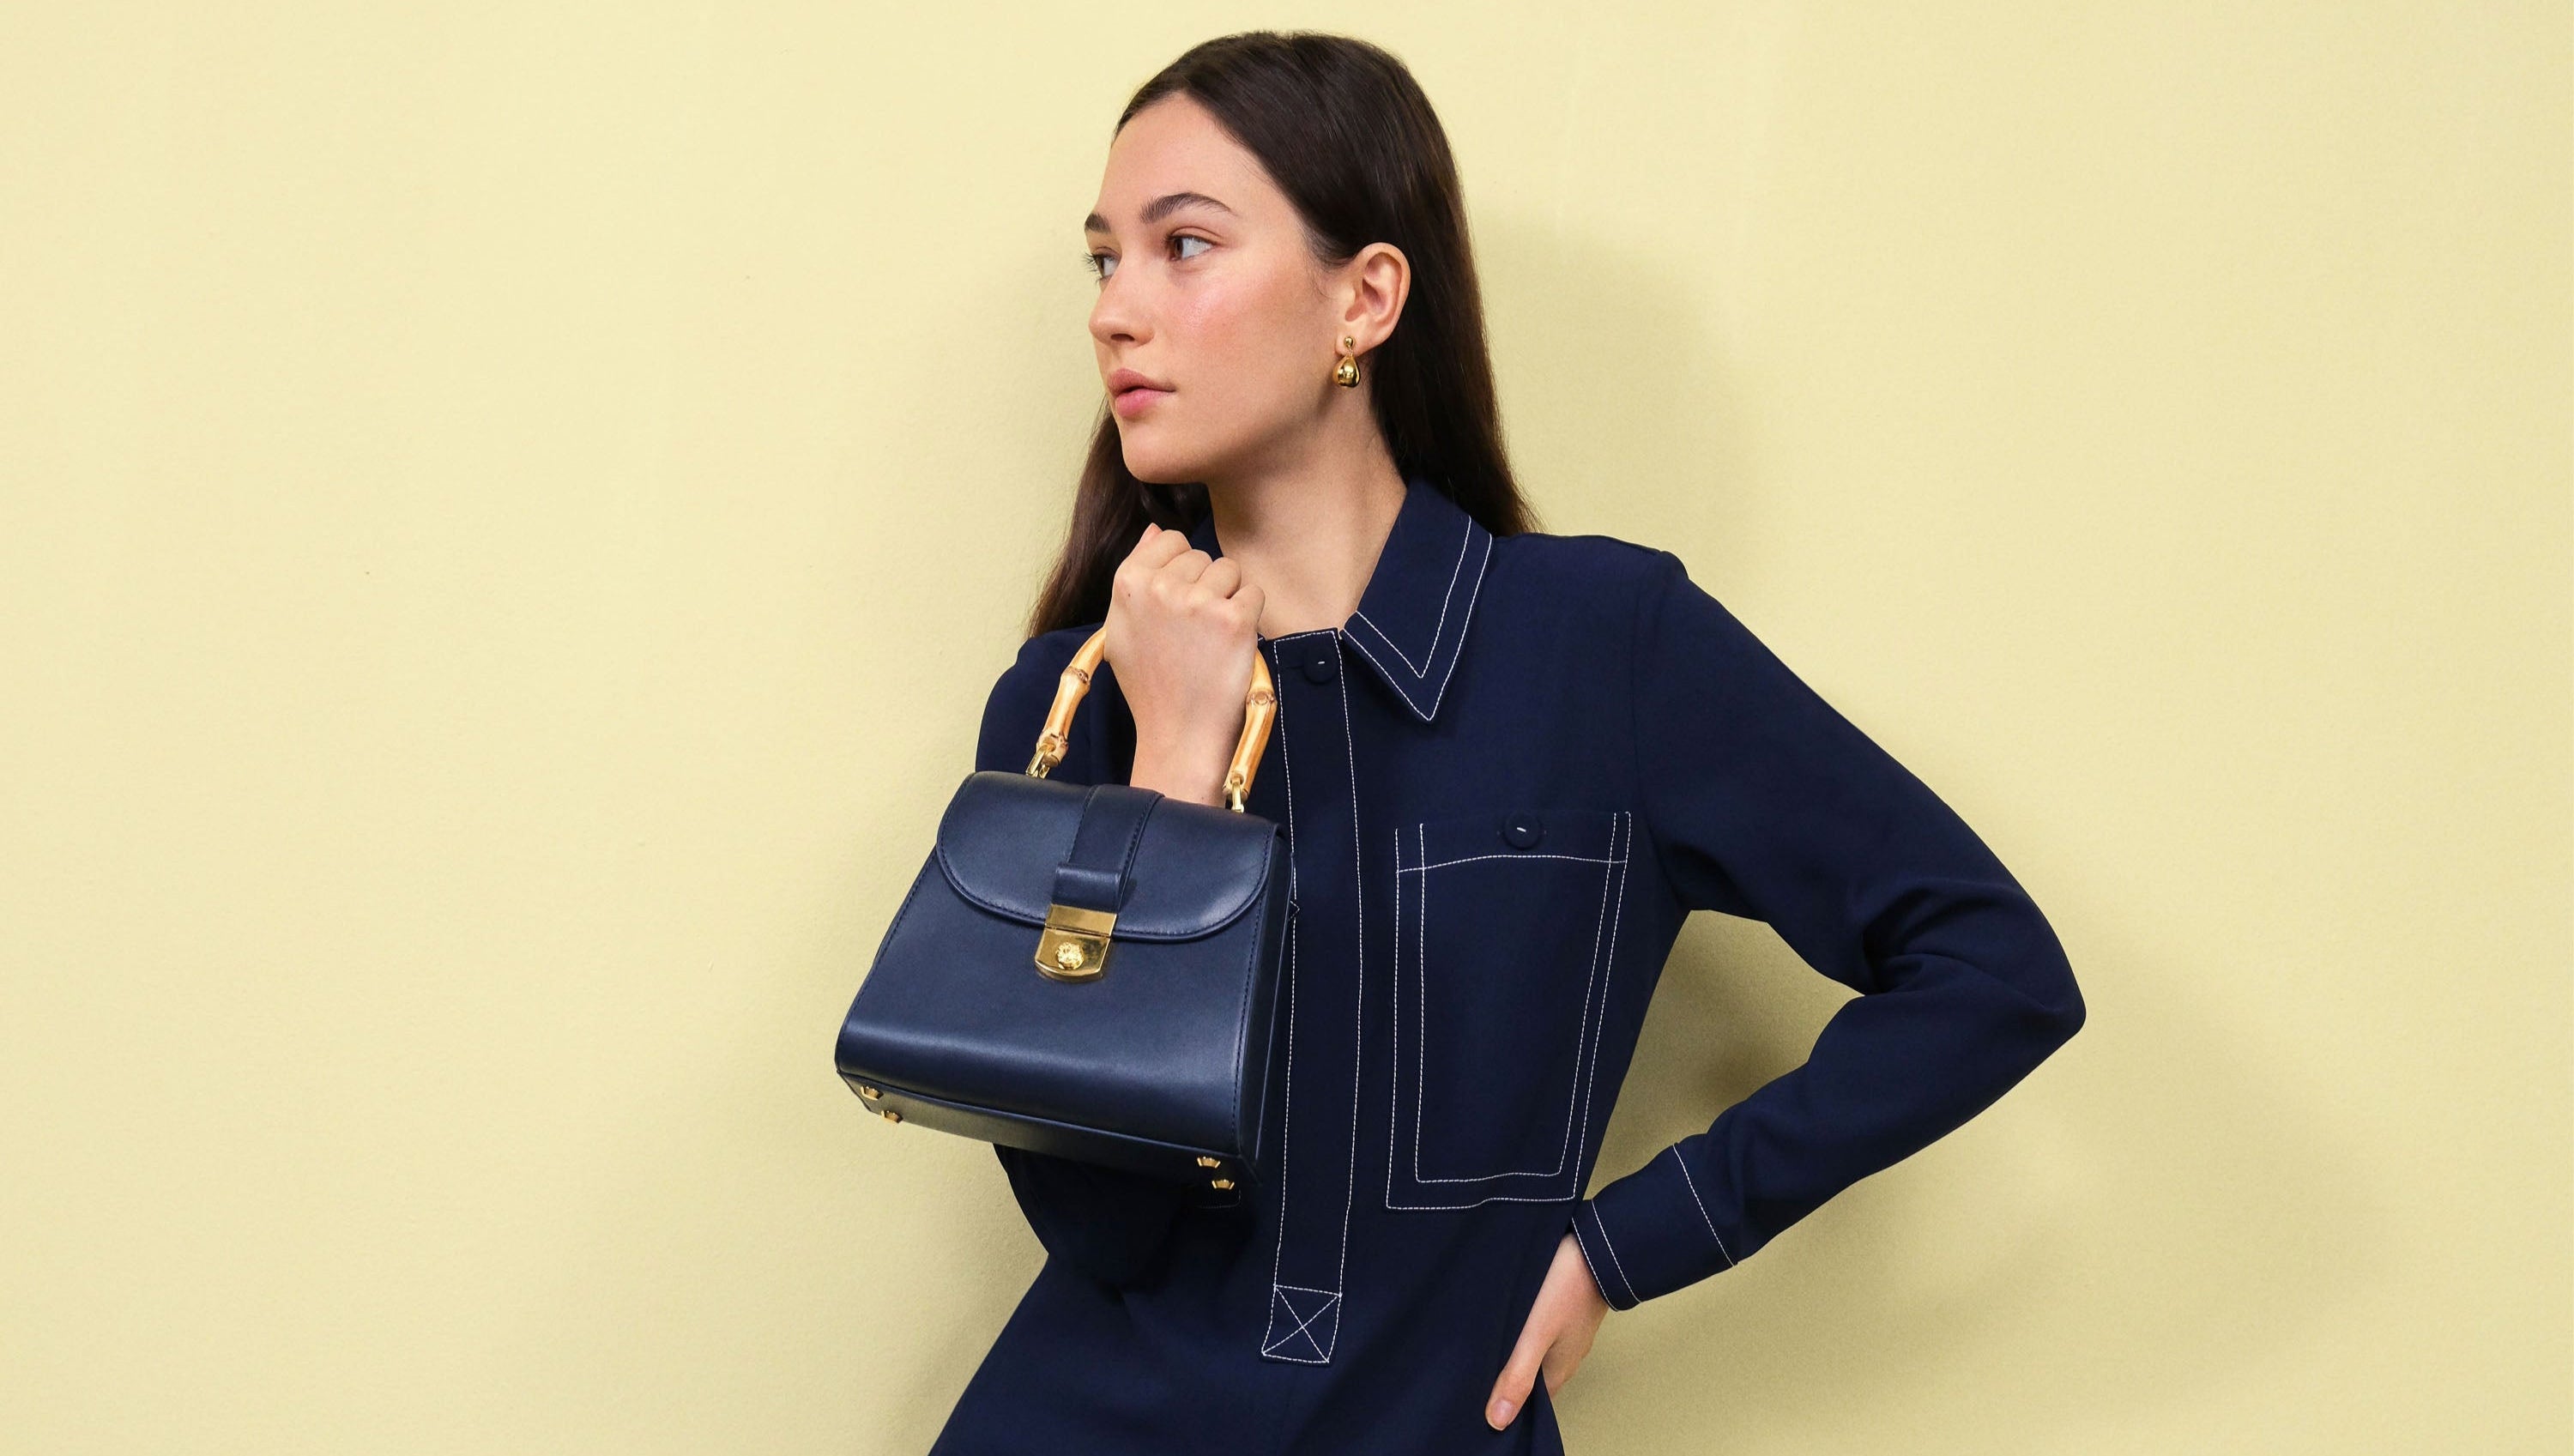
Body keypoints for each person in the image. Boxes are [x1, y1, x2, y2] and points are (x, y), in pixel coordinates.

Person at [926, 29, 2086, 1456]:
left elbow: (1993, 969)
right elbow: (1100, 1224)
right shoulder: (1072, 701)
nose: (1117, 310)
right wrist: (1174, 772)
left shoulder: (1605, 646)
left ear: (1364, 297)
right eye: (1106, 259)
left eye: (1185, 247)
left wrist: (1627, 1242)